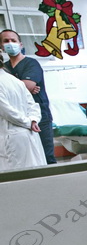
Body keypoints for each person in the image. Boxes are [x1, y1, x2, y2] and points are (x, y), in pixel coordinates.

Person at [1, 29, 55, 164]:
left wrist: (20, 86)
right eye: (6, 41)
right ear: (1, 47)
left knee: (46, 157)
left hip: (38, 117)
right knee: (29, 161)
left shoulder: (31, 63)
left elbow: (27, 86)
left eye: (13, 40)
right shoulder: (5, 68)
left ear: (21, 44)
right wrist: (22, 86)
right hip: (17, 121)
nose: (10, 43)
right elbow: (23, 87)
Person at [0, 54, 47, 171]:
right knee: (35, 172)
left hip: (12, 137)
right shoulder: (16, 81)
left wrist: (28, 122)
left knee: (15, 176)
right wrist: (33, 120)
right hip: (29, 133)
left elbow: (6, 111)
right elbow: (33, 105)